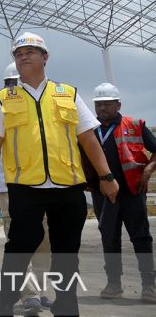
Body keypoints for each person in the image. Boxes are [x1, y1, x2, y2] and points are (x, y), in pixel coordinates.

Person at [0, 31, 119, 317]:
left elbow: (88, 139)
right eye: (18, 54)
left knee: (66, 251)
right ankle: (5, 304)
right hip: (25, 187)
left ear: (45, 57)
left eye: (29, 52)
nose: (23, 57)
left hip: (67, 186)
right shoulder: (4, 99)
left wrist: (106, 177)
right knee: (19, 248)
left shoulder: (68, 94)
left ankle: (67, 306)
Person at [87, 82, 156, 303]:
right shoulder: (89, 130)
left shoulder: (134, 125)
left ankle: (149, 286)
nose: (102, 109)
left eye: (107, 104)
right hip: (103, 196)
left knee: (141, 238)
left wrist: (148, 169)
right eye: (98, 104)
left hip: (132, 192)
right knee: (109, 238)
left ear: (118, 104)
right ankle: (114, 284)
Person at [0, 63, 52, 315]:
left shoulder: (41, 106)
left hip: (43, 187)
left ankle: (36, 290)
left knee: (44, 241)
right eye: (12, 83)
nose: (17, 86)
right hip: (11, 188)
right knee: (20, 241)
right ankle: (28, 293)